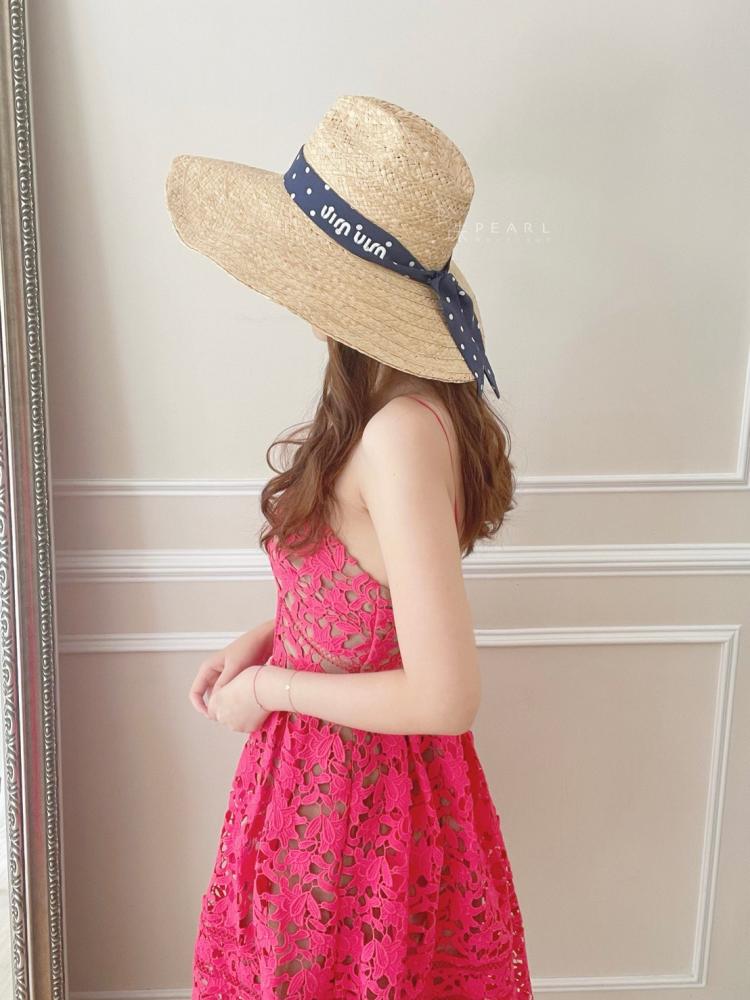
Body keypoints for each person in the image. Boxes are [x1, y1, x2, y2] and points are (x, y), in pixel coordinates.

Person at [166, 94, 534, 1000]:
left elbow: (447, 695)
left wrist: (272, 688)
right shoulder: (395, 413)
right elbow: (374, 592)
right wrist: (270, 636)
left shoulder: (398, 433)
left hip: (359, 806)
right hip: (332, 783)